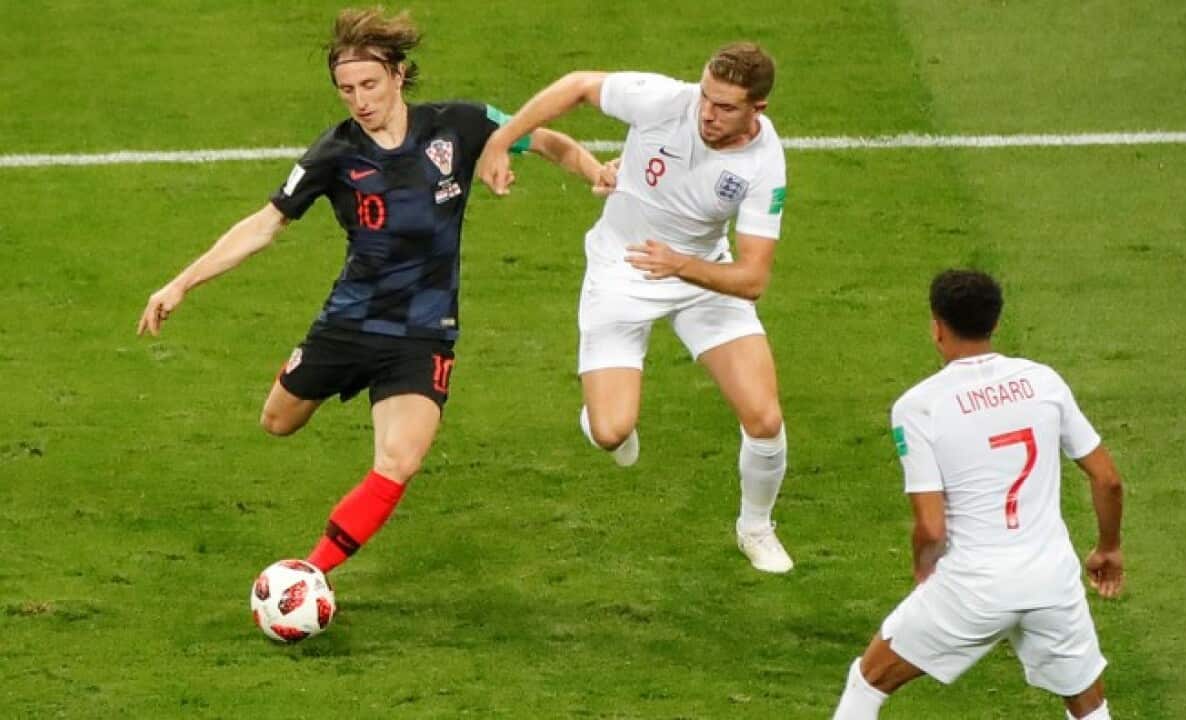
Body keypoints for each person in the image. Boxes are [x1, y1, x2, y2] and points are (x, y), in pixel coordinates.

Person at [136, 7, 610, 578]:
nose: (359, 101)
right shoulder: (335, 153)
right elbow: (265, 224)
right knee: (278, 422)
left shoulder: (458, 125)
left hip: (423, 333)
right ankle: (323, 374)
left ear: (398, 74)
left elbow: (548, 141)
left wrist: (595, 173)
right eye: (346, 90)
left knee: (399, 460)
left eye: (369, 84)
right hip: (350, 322)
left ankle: (309, 575)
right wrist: (182, 282)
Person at [474, 43, 794, 573]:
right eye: (706, 97)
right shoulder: (666, 101)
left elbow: (753, 278)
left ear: (756, 109)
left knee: (764, 417)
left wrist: (680, 264)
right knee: (611, 433)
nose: (706, 114)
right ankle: (602, 413)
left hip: (700, 274)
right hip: (620, 269)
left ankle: (756, 528)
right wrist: (501, 140)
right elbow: (578, 84)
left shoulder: (764, 162)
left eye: (724, 107)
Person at [831, 270, 1126, 719]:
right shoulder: (1043, 381)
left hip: (972, 586)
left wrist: (924, 569)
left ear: (937, 327)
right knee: (1088, 706)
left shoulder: (919, 406)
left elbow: (931, 527)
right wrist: (1108, 548)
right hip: (1051, 581)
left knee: (868, 681)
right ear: (995, 322)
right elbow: (1107, 480)